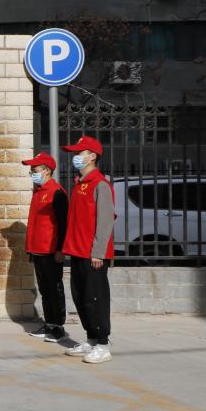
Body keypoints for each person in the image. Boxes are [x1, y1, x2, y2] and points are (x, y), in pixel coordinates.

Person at [60, 135, 116, 364]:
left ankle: (103, 344)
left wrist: (98, 252)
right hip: (77, 250)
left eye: (79, 153)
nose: (75, 157)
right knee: (81, 297)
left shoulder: (100, 184)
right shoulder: (79, 183)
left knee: (95, 298)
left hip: (93, 254)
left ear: (92, 156)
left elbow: (105, 221)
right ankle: (91, 339)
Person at [21, 153, 68, 343]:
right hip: (37, 249)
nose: (32, 173)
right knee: (45, 290)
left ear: (47, 171)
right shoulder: (38, 191)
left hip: (51, 250)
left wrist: (60, 249)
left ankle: (58, 327)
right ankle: (49, 323)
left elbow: (63, 224)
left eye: (35, 170)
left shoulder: (57, 193)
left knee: (55, 289)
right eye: (31, 171)